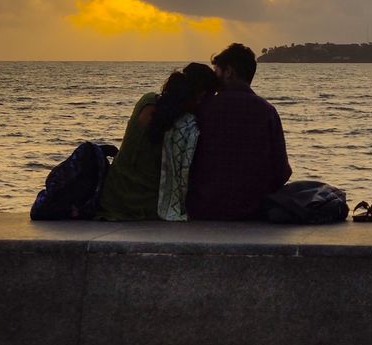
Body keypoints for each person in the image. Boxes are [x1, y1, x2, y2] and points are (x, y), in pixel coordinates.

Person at [98, 62, 219, 220]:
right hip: (146, 207)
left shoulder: (146, 100)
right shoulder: (185, 127)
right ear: (201, 95)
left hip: (112, 198)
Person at [187, 42, 291, 220]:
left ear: (228, 72)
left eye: (217, 71)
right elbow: (282, 171)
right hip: (254, 210)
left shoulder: (204, 109)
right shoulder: (267, 111)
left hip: (206, 207)